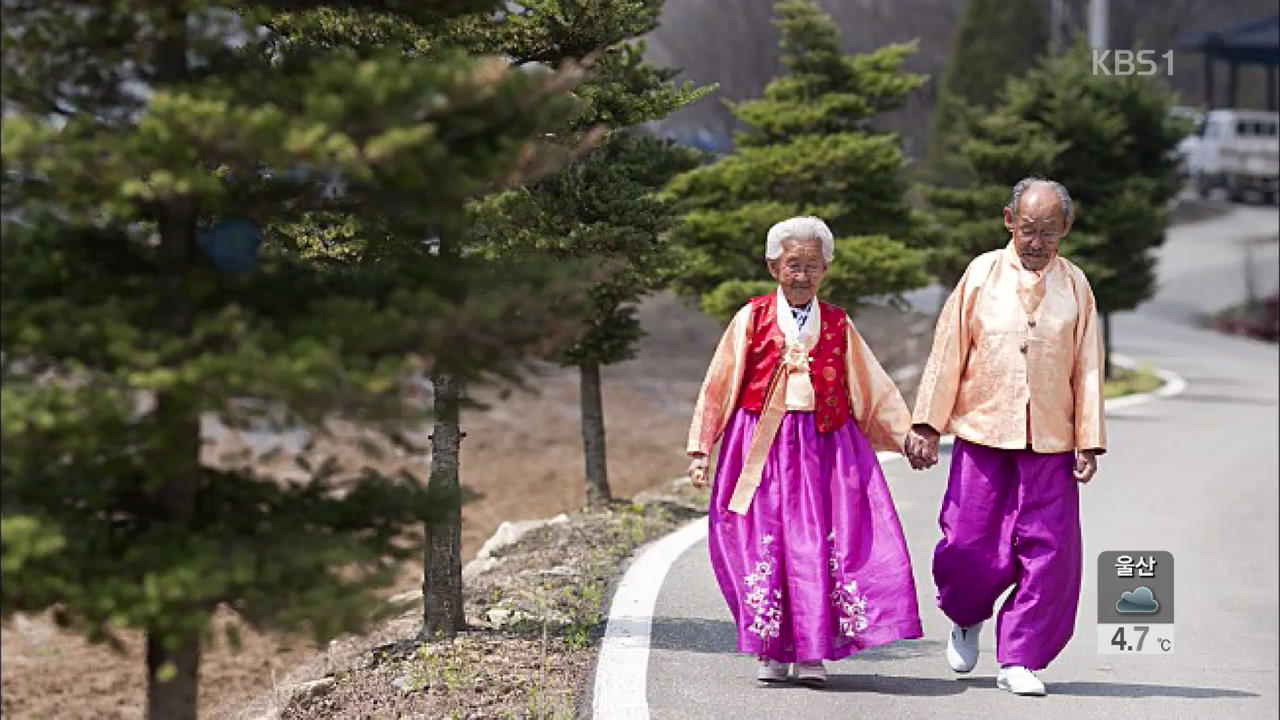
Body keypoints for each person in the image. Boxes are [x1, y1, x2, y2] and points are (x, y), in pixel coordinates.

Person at [686, 216, 922, 685]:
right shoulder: (751, 317)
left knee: (818, 544)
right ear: (774, 267)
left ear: (826, 269)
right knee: (764, 543)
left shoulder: (837, 323)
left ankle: (812, 652)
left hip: (824, 446)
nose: (802, 275)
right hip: (760, 446)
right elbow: (719, 385)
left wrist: (907, 435)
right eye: (793, 265)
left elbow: (870, 385)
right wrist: (700, 448)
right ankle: (771, 650)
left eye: (812, 265)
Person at [905, 178, 1106, 696]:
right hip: (984, 430)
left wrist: (1088, 439)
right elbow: (950, 347)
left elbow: (1087, 367)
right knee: (969, 542)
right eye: (1028, 228)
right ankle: (967, 616)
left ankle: (1021, 657)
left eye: (1049, 231)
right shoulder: (980, 275)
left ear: (1066, 228)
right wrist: (928, 422)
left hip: (1052, 439)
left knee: (1050, 553)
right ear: (1008, 220)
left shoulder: (1077, 286)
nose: (1036, 241)